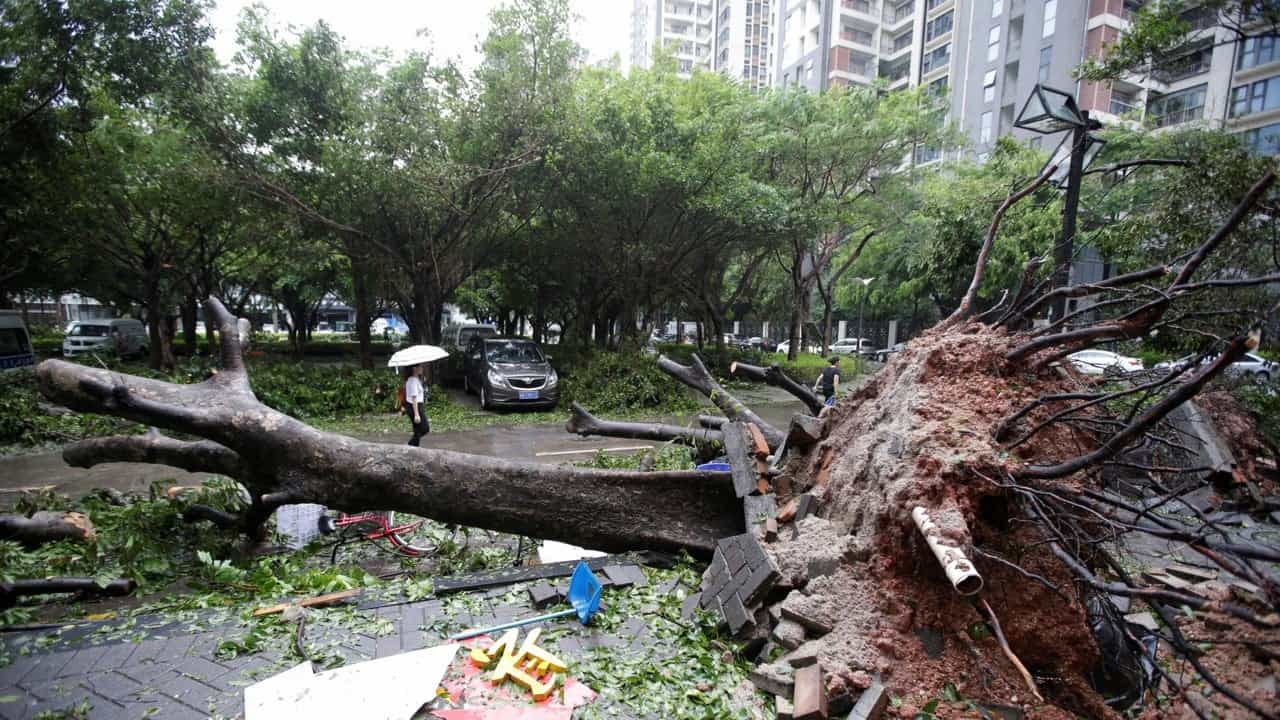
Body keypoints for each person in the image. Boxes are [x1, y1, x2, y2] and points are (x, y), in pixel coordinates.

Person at [404, 364, 429, 446]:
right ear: (414, 368)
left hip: (414, 406)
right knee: (425, 428)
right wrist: (417, 414)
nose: (422, 368)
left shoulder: (414, 379)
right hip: (415, 407)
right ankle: (410, 445)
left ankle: (413, 448)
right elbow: (414, 398)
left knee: (417, 430)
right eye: (420, 367)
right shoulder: (413, 381)